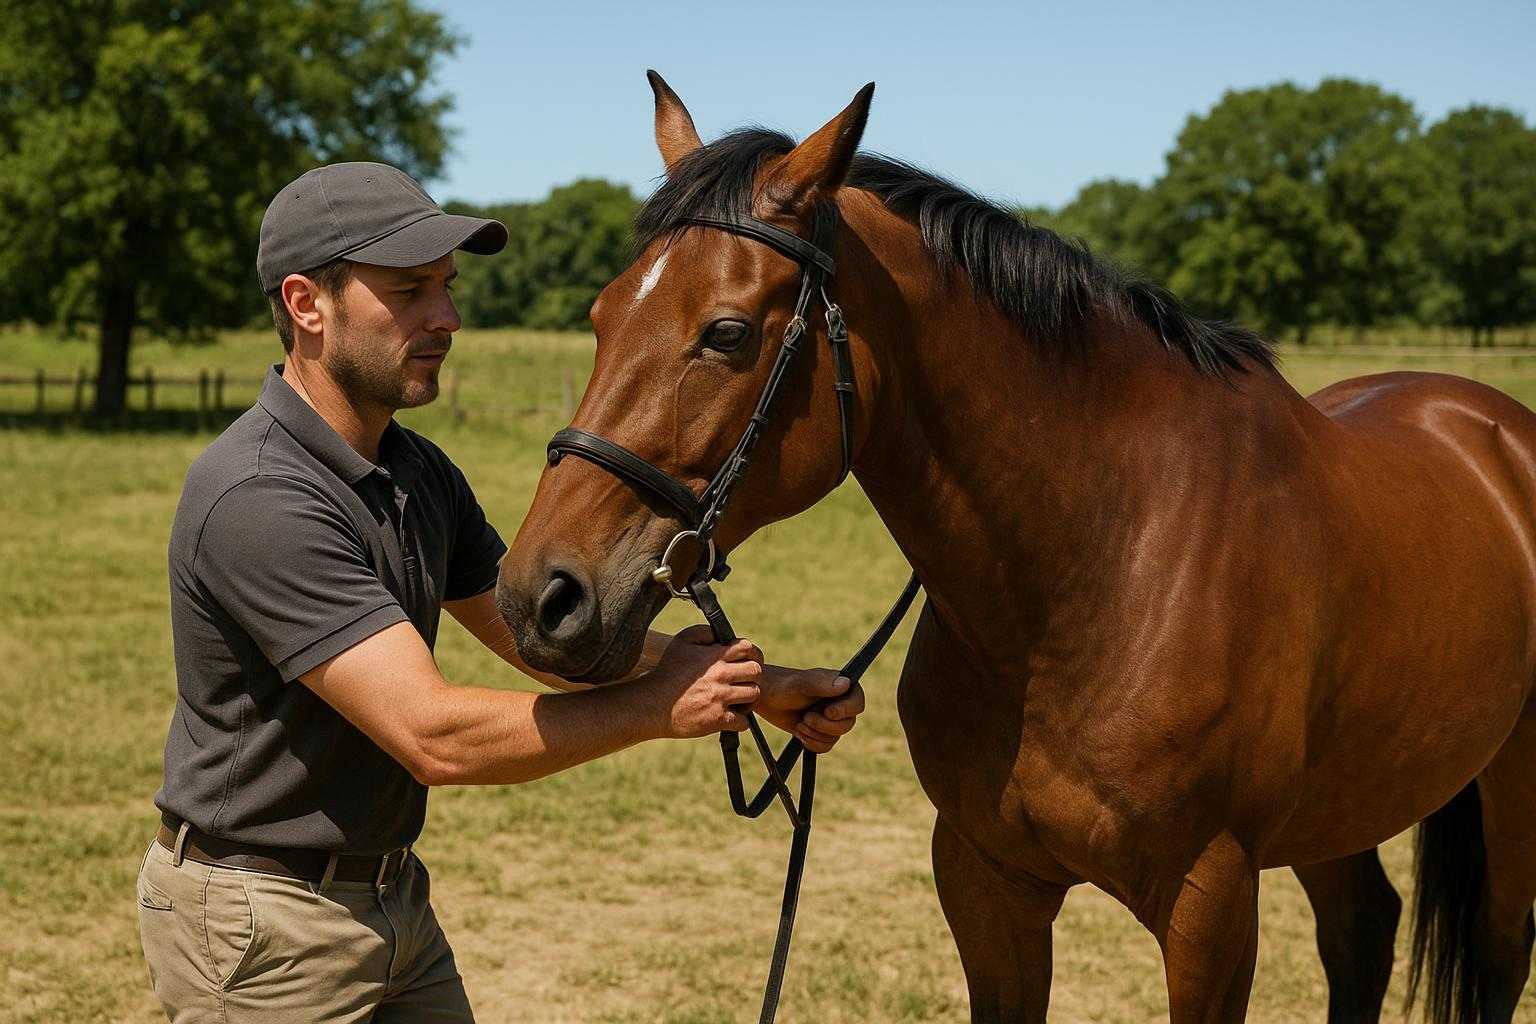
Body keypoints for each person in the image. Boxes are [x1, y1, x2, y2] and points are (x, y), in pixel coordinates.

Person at [136, 161, 864, 1023]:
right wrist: (656, 710)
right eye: (409, 291)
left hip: (391, 900)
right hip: (263, 924)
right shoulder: (261, 496)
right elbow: (433, 736)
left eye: (445, 288)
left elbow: (535, 638)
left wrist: (754, 684)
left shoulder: (413, 471)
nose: (446, 317)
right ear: (306, 305)